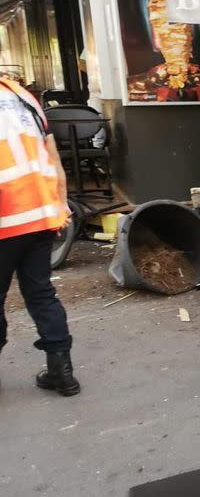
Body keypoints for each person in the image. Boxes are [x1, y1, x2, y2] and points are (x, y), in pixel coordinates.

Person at [0, 77, 80, 396]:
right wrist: (61, 204)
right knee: (41, 293)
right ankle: (63, 373)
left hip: (5, 219)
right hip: (39, 214)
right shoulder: (22, 96)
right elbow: (52, 156)